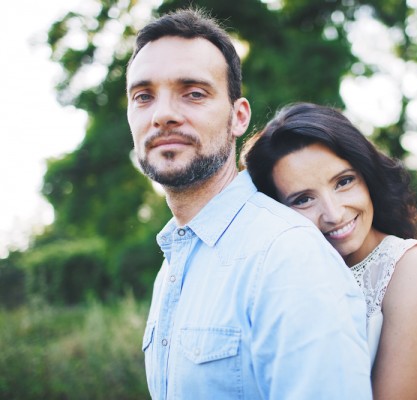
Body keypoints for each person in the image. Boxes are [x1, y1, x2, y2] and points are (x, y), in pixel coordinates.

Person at [126, 10, 372, 399]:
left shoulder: (287, 255)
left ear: (238, 117)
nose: (164, 115)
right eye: (144, 96)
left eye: (194, 93)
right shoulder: (173, 263)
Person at [242, 102, 417, 399]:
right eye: (303, 199)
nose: (333, 214)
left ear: (367, 176)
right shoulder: (287, 281)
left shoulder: (413, 266)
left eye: (344, 182)